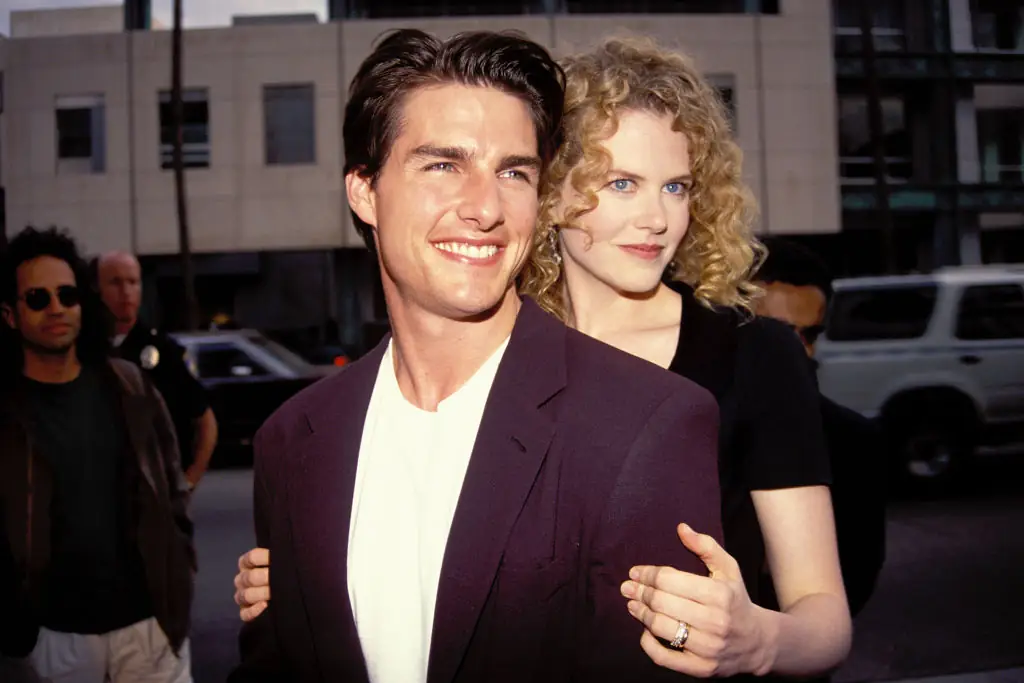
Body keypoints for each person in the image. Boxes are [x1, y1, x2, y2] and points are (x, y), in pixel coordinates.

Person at [235, 36, 854, 681]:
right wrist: (321, 570)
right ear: (557, 193)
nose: (656, 218)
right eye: (621, 183)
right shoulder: (481, 342)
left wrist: (757, 639)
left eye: (676, 187)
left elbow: (823, 612)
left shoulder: (741, 358)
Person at [0, 227, 196, 682]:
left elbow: (172, 494)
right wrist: (17, 630)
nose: (56, 309)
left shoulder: (129, 387)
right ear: (9, 314)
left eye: (67, 295)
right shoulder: (7, 414)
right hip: (53, 640)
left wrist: (177, 584)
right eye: (38, 298)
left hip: (150, 631)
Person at [754, 236, 887, 618]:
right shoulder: (690, 422)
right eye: (779, 332)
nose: (796, 349)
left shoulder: (852, 441)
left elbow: (855, 578)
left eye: (809, 334)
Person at [95, 251, 219, 490]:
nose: (126, 292)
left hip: (156, 491)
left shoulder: (163, 352)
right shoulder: (89, 352)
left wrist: (189, 480)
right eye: (115, 282)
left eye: (132, 282)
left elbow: (206, 421)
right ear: (97, 289)